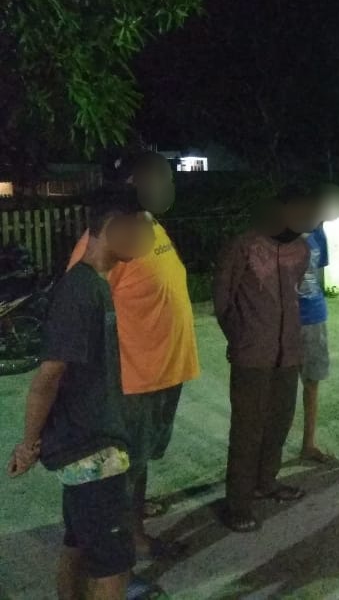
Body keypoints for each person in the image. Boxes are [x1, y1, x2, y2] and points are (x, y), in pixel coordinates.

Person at [8, 191, 155, 600]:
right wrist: (28, 445)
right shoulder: (81, 290)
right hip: (90, 448)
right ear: (114, 228)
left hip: (89, 443)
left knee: (77, 544)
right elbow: (48, 376)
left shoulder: (95, 285)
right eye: (139, 229)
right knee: (112, 564)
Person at [67, 151, 199, 564]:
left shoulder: (150, 226)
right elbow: (81, 304)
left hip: (163, 374)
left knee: (138, 465)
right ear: (131, 184)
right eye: (159, 178)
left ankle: (132, 532)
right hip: (131, 379)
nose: (168, 187)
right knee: (122, 471)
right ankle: (120, 553)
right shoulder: (107, 238)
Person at [213, 186, 315, 532]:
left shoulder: (301, 249)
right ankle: (238, 503)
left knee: (279, 422)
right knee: (247, 430)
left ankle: (266, 482)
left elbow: (295, 293)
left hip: (289, 354)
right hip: (252, 356)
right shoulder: (244, 245)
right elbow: (223, 299)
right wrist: (241, 338)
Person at [297, 183, 339, 463]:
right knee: (279, 389)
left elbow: (317, 271)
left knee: (312, 383)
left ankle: (308, 444)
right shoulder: (286, 231)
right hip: (285, 320)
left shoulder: (319, 233)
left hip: (314, 316)